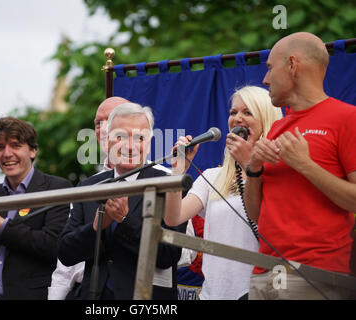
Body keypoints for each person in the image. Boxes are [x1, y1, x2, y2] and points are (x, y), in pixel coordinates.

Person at [244, 32, 356, 300]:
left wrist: (306, 165)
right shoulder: (277, 128)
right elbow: (256, 215)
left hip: (317, 274)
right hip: (264, 271)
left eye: (270, 67)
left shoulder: (347, 118)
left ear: (293, 65)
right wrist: (254, 169)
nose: (265, 79)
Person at [57, 103, 186, 300]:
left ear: (149, 143)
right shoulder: (89, 186)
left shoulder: (168, 185)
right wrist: (96, 228)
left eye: (139, 138)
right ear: (107, 141)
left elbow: (168, 255)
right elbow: (66, 253)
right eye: (120, 137)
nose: (130, 146)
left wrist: (124, 220)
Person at [164, 86, 283, 300]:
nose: (237, 118)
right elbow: (173, 218)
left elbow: (274, 224)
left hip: (260, 293)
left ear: (266, 119)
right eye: (233, 112)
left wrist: (249, 162)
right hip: (213, 294)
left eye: (247, 112)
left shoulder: (280, 174)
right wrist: (178, 171)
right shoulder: (213, 176)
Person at [0, 117, 72, 300]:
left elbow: (52, 247)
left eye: (15, 145)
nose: (7, 154)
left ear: (33, 151)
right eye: (0, 148)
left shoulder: (56, 188)